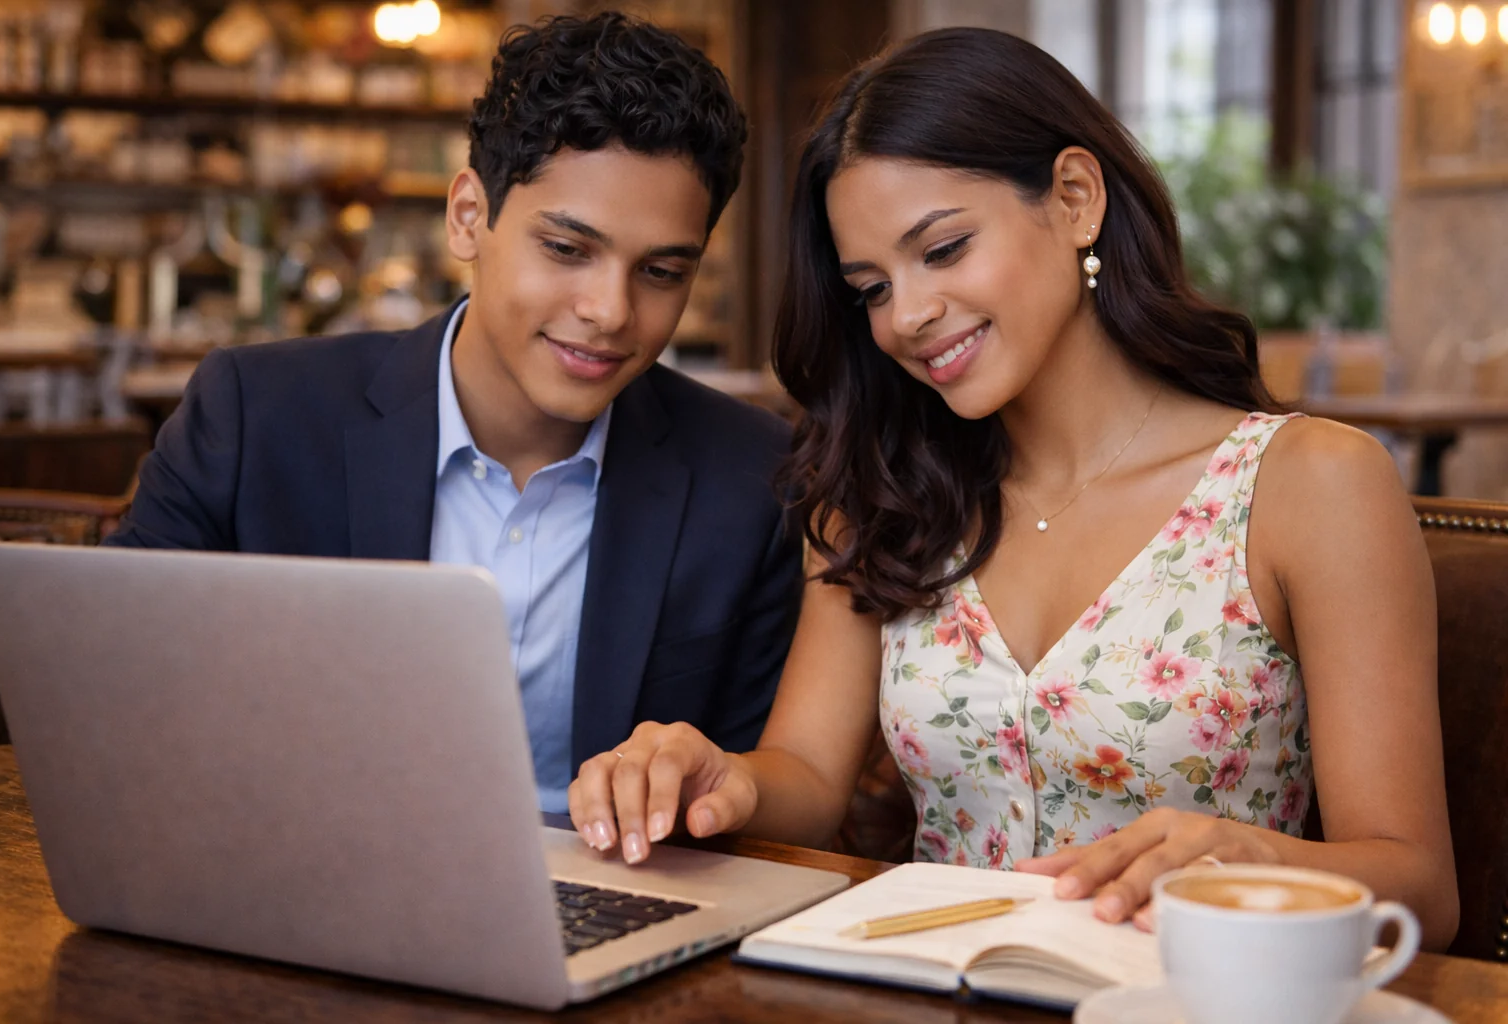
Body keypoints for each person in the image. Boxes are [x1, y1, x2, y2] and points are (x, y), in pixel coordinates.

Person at [568, 27, 1459, 948]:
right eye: (871, 288)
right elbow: (805, 773)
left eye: (944, 249)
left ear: (1075, 198)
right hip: (930, 992)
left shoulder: (1310, 484)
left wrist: (1249, 857)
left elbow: (1422, 889)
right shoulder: (879, 495)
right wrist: (725, 778)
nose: (908, 316)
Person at [105, 13, 801, 817]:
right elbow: (111, 688)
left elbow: (751, 790)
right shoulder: (255, 418)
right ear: (469, 216)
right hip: (289, 890)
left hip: (613, 909)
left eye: (661, 271)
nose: (610, 311)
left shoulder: (751, 480)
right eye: (568, 249)